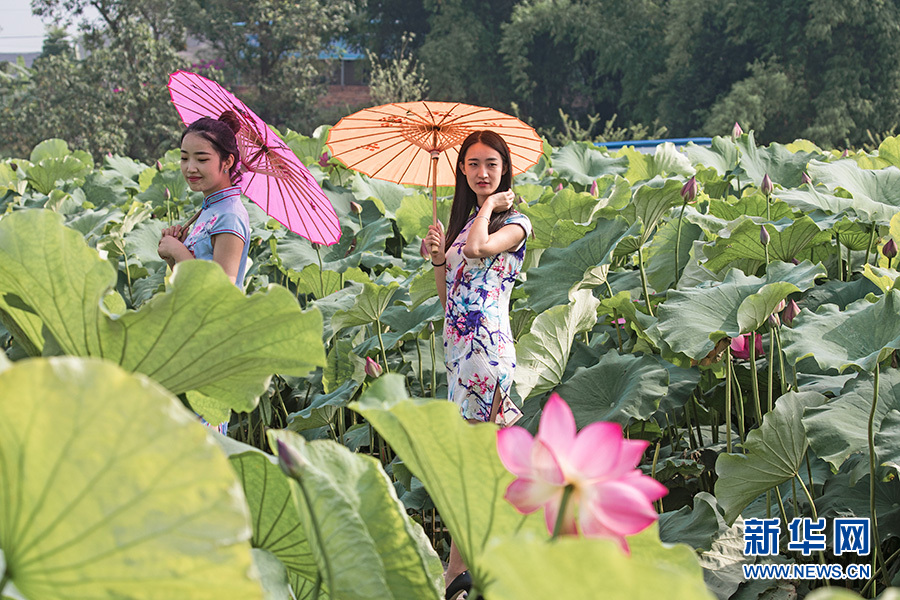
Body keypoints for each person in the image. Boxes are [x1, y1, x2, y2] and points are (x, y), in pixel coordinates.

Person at [424, 130, 532, 599]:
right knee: (475, 464)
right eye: (472, 165)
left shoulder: (517, 223)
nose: (481, 173)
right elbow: (447, 298)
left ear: (505, 170)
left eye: (491, 164)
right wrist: (435, 261)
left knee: (478, 464)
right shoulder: (467, 222)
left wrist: (486, 208)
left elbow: (479, 250)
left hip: (488, 352)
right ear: (462, 171)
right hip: (459, 354)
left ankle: (457, 574)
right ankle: (474, 572)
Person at [157, 111, 250, 288]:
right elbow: (189, 283)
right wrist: (173, 256)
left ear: (227, 162)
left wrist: (178, 250)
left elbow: (221, 290)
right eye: (184, 158)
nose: (190, 168)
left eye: (201, 159)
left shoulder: (230, 216)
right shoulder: (211, 209)